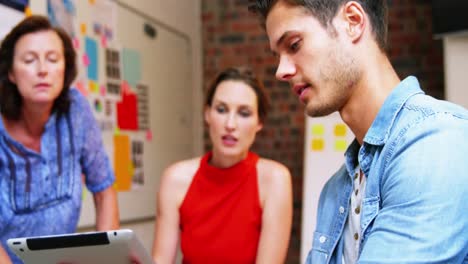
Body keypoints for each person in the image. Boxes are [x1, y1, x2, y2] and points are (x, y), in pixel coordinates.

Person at [249, 0, 468, 263]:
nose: (281, 71)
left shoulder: (436, 141)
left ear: (352, 21)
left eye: (294, 45)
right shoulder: (336, 189)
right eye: (278, 56)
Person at [0, 15, 119, 264]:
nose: (42, 69)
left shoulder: (76, 110)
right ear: (11, 72)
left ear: (65, 69)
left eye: (53, 59)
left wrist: (108, 256)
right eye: (30, 60)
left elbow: (103, 191)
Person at [152, 67, 293, 264]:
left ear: (259, 122)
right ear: (207, 114)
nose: (230, 124)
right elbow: (160, 261)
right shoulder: (175, 179)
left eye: (244, 113)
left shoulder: (275, 179)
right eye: (221, 109)